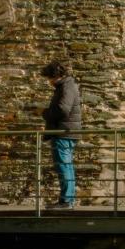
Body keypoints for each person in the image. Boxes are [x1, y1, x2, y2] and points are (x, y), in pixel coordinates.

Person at [42, 62, 81, 207]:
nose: (49, 81)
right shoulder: (68, 86)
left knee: (63, 166)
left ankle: (66, 200)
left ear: (57, 75)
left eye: (50, 77)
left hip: (62, 132)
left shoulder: (66, 87)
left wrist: (44, 113)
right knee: (66, 166)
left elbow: (62, 110)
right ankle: (68, 200)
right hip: (67, 132)